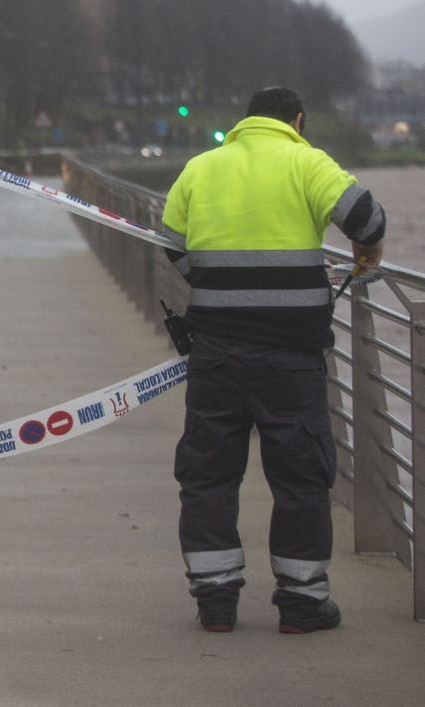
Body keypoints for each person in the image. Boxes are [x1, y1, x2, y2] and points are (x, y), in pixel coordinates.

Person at [160, 86, 386, 635]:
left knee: (209, 474)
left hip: (215, 350)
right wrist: (365, 255)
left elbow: (172, 241)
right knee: (301, 477)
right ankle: (303, 603)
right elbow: (367, 220)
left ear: (245, 121)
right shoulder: (307, 161)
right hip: (292, 353)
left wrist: (218, 286)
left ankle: (215, 602)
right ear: (297, 121)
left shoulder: (202, 167)